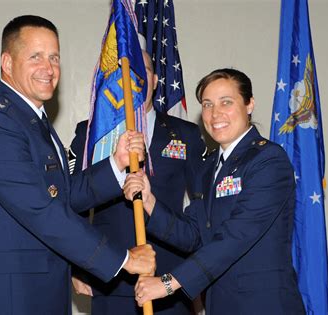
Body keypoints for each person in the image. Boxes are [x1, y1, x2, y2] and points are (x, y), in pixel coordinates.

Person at [0, 15, 156, 315]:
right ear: (7, 64)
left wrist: (116, 163)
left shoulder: (31, 120)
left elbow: (61, 194)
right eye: (35, 57)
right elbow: (41, 210)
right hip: (6, 297)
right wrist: (122, 259)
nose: (48, 68)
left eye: (54, 57)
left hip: (39, 291)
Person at [124, 68, 306, 314]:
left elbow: (235, 237)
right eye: (208, 104)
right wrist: (149, 201)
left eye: (226, 102)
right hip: (221, 304)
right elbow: (194, 234)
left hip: (264, 305)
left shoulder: (268, 161)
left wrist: (168, 284)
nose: (215, 113)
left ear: (249, 104)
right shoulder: (209, 166)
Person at [69, 51, 205, 314]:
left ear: (154, 79)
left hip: (170, 285)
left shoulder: (186, 134)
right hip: (109, 281)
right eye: (127, 71)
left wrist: (198, 275)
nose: (137, 78)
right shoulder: (91, 133)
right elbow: (69, 205)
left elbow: (203, 211)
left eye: (143, 69)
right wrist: (75, 266)